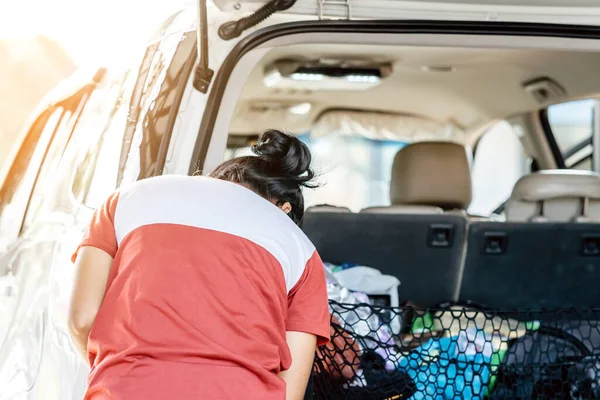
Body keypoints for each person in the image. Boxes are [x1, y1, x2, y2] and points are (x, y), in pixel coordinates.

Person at [68, 130, 330, 400]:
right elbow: (290, 390)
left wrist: (123, 373)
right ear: (285, 209)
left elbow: (82, 320)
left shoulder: (125, 200)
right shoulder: (301, 248)